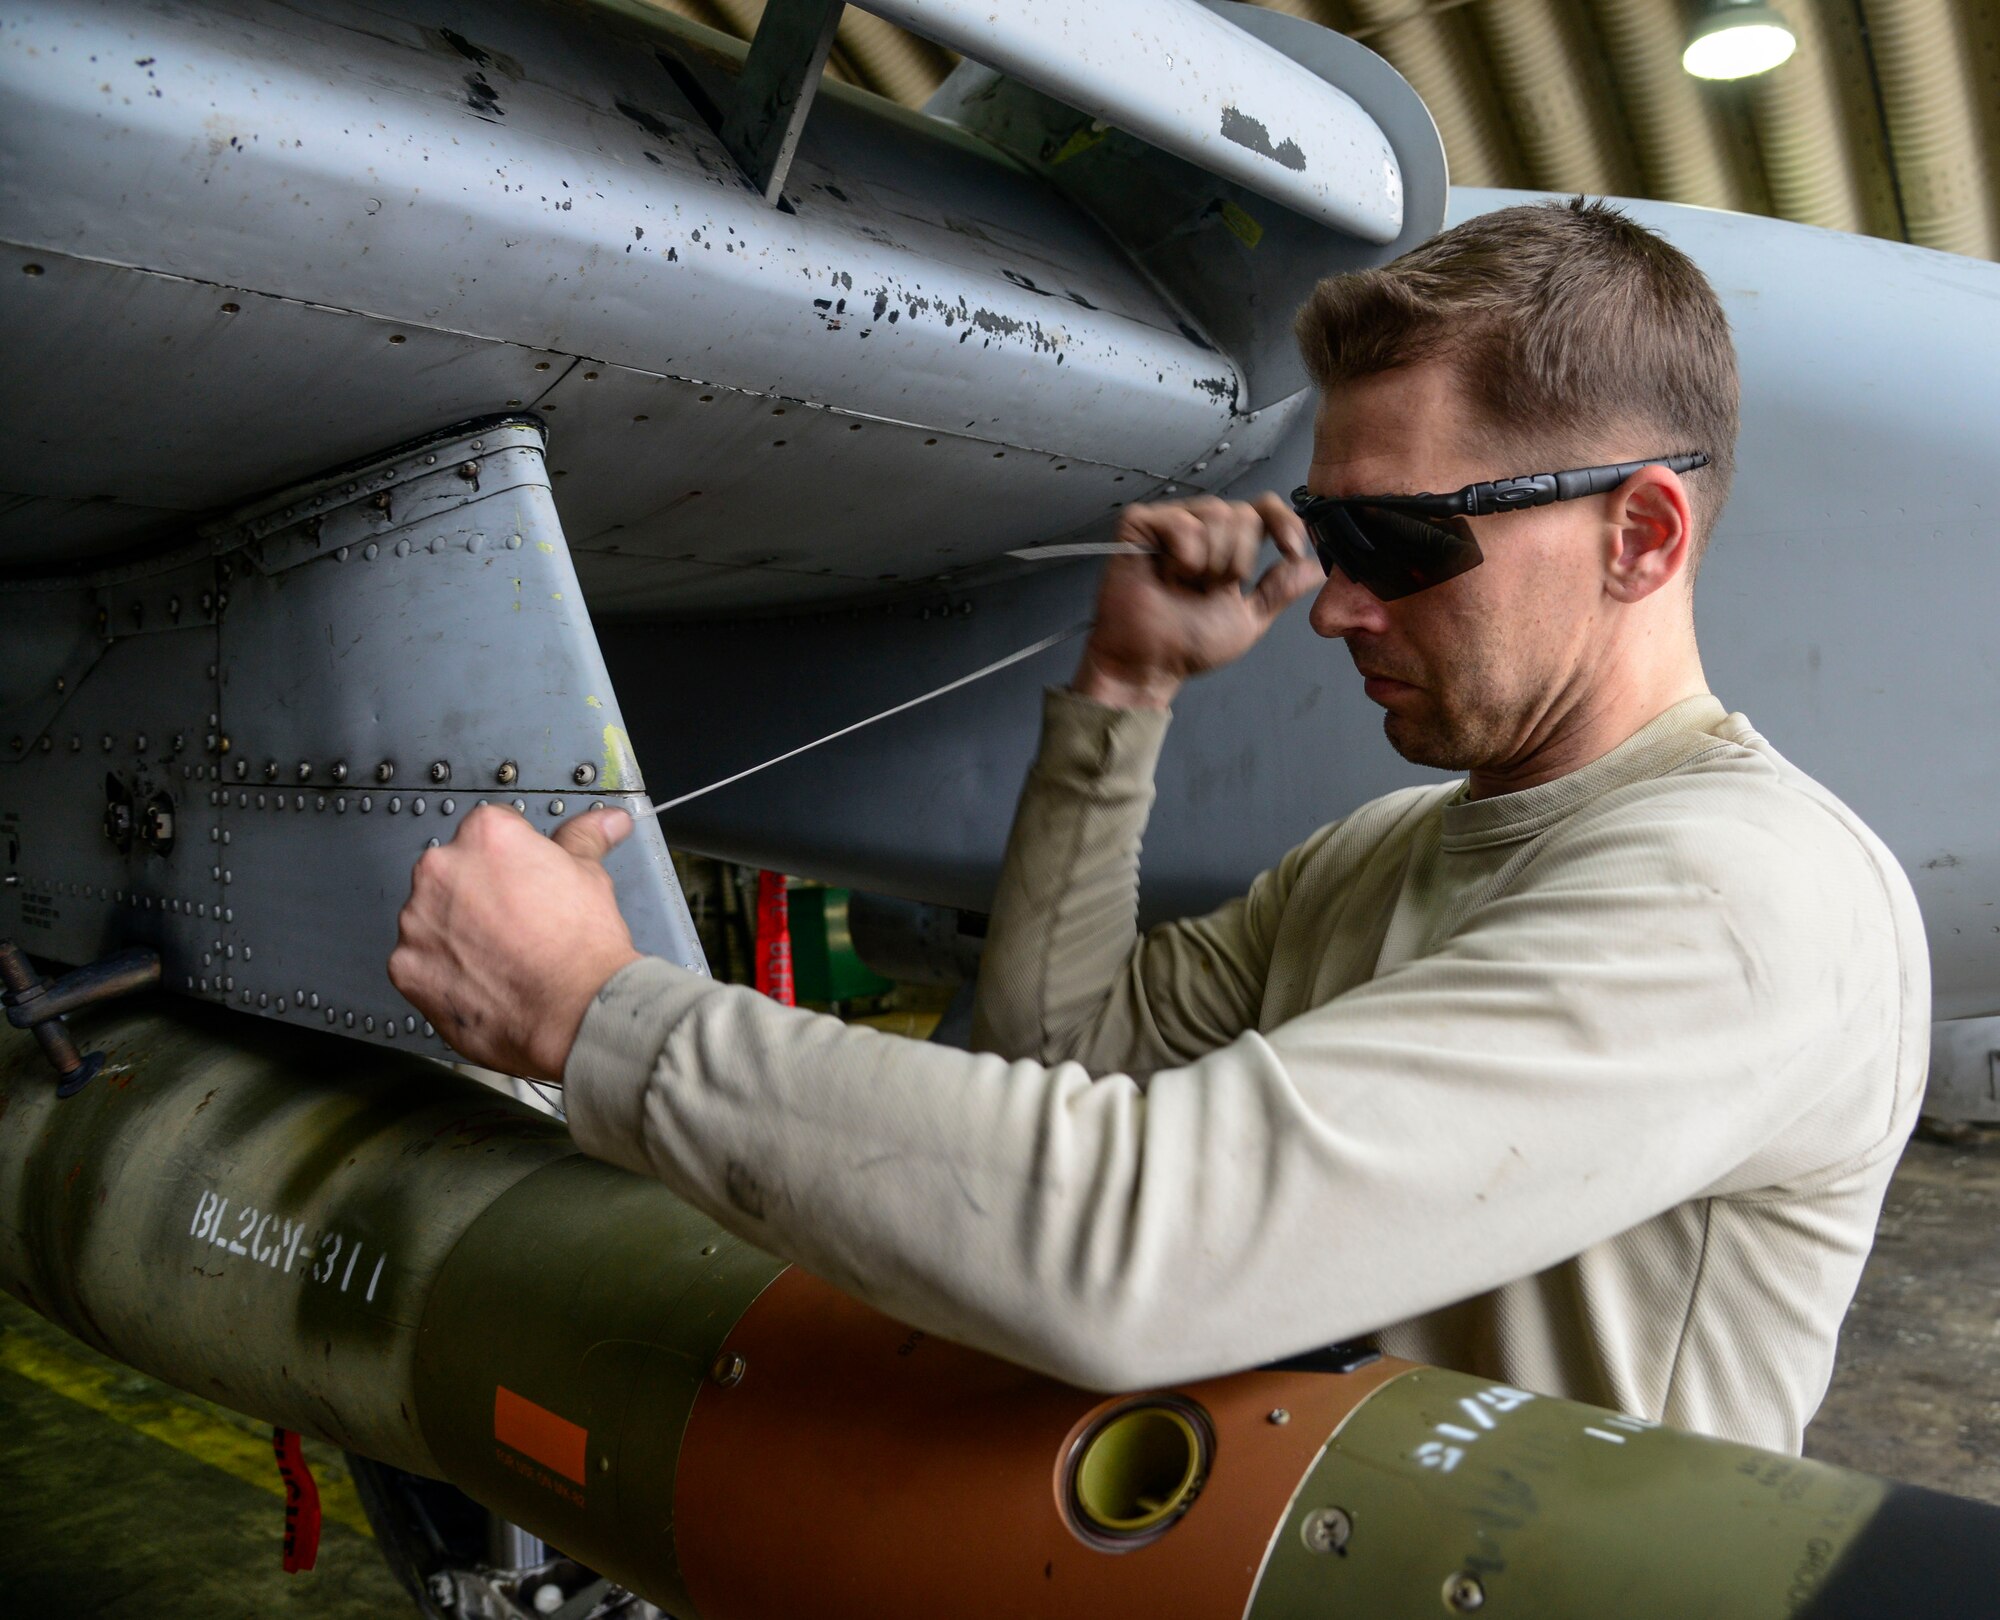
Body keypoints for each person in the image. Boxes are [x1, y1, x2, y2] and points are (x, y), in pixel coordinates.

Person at [388, 199, 1926, 1455]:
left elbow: (1141, 1248)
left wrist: (596, 1015)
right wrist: (1124, 692)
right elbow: (1051, 1059)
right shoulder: (1386, 851)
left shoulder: (1745, 898)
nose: (1335, 603)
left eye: (1396, 538)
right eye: (1330, 537)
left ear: (1641, 533)